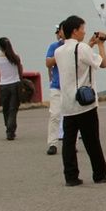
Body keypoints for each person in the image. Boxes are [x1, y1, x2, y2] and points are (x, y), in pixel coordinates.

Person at [54, 15, 106, 187]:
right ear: (75, 31)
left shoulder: (58, 51)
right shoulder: (82, 48)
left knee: (68, 141)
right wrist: (100, 44)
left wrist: (89, 44)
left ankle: (71, 176)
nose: (84, 32)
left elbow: (77, 60)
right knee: (92, 140)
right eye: (83, 28)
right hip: (85, 103)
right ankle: (99, 173)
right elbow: (102, 63)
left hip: (67, 102)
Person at [0, 37, 23, 141]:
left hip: (3, 85)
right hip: (15, 84)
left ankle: (8, 127)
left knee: (5, 109)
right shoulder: (16, 57)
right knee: (13, 109)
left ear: (0, 47)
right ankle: (11, 131)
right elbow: (20, 70)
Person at [45, 23, 65, 155]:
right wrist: (60, 53)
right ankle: (52, 143)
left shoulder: (75, 47)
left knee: (71, 116)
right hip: (57, 86)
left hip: (70, 86)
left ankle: (71, 142)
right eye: (59, 31)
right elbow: (48, 63)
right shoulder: (54, 47)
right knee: (54, 115)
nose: (59, 33)